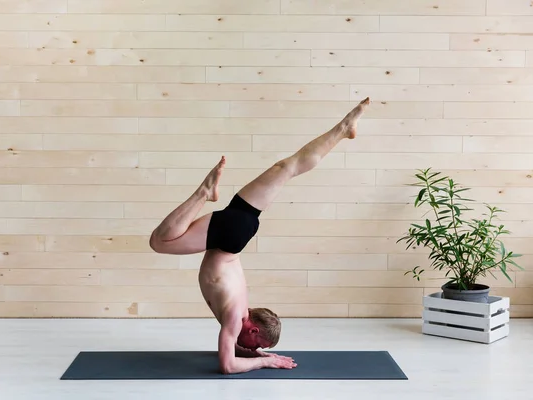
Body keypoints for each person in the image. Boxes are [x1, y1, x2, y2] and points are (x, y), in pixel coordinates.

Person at [149, 97, 370, 374]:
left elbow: (234, 353)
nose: (254, 349)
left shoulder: (240, 313)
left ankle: (343, 128)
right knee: (159, 242)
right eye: (257, 344)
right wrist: (265, 360)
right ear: (252, 328)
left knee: (287, 167)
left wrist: (257, 353)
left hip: (239, 228)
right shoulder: (234, 316)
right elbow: (227, 365)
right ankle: (204, 193)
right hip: (229, 238)